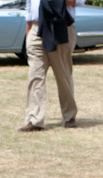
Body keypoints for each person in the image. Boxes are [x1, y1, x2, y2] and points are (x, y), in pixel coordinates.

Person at [19, 0, 77, 132]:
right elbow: (29, 9)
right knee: (35, 76)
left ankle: (69, 116)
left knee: (63, 75)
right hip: (36, 29)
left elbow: (74, 2)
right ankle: (34, 120)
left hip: (59, 27)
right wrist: (29, 33)